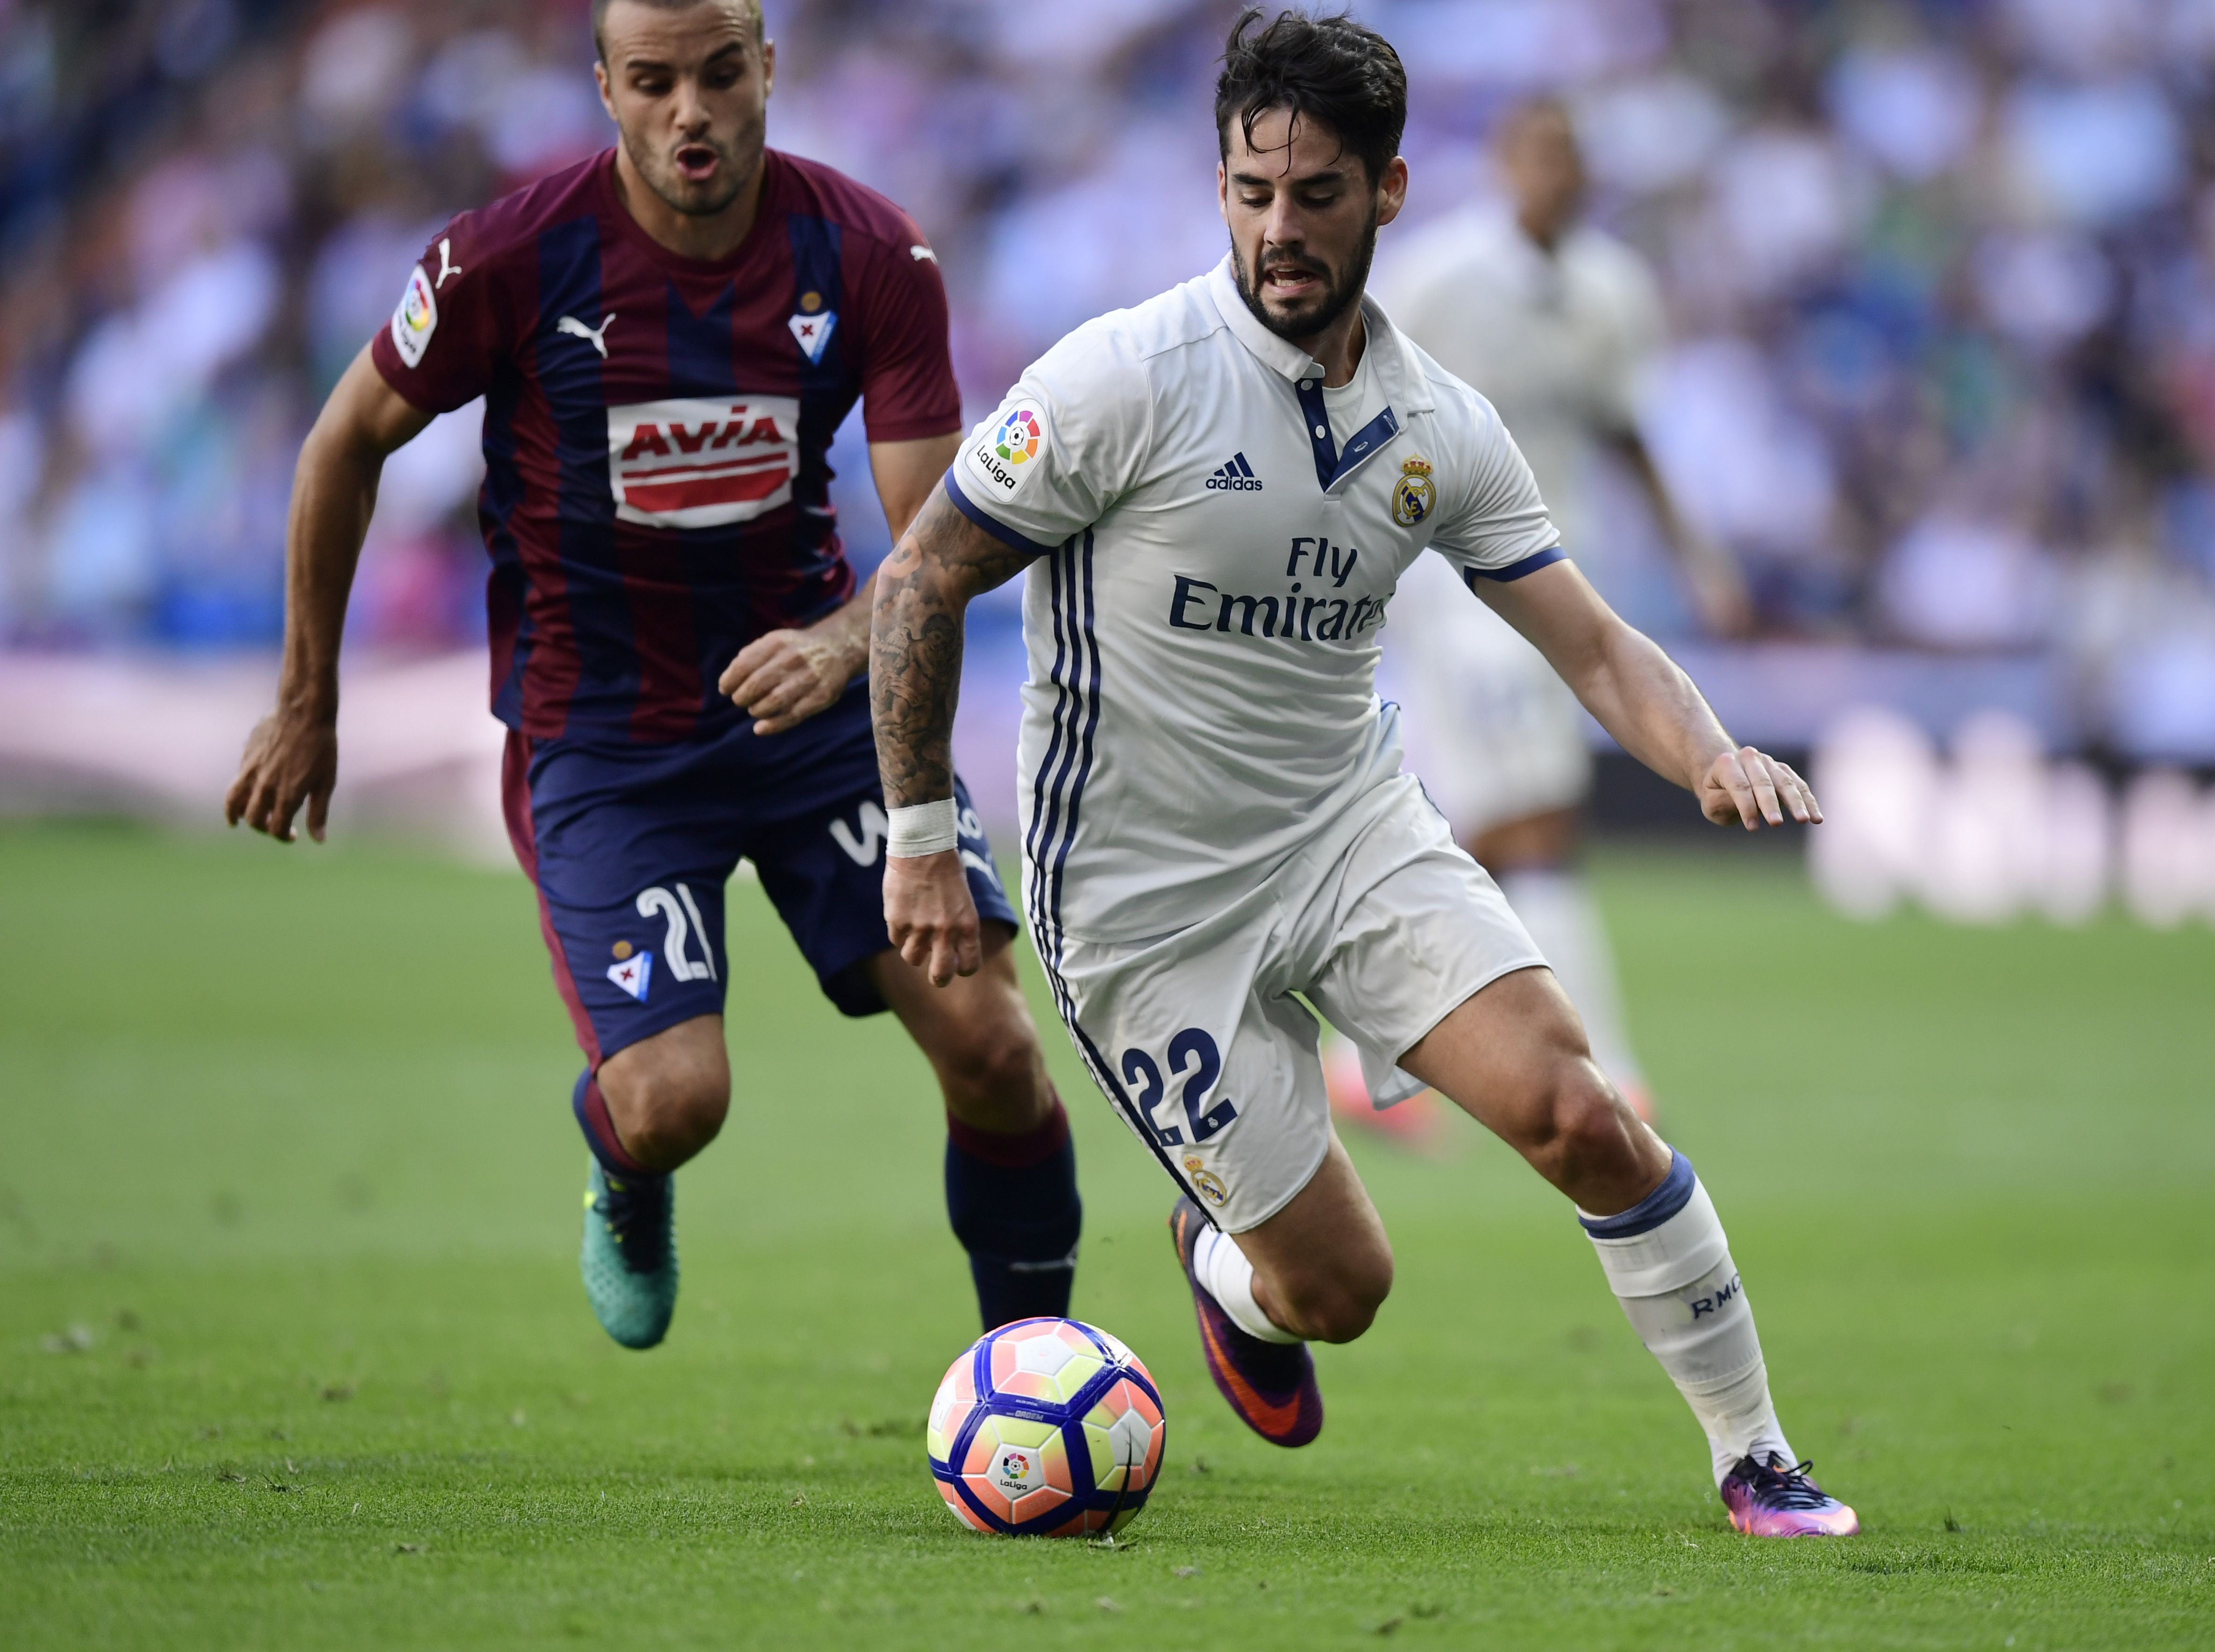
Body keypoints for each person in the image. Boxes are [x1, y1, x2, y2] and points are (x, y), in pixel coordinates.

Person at [868, 10, 1856, 1538]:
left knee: (1583, 1112)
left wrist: (1710, 748)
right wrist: (924, 838)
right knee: (1340, 1290)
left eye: (1315, 193)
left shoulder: (1439, 425)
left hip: (1348, 833)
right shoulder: (1121, 379)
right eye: (1250, 191)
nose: (1278, 227)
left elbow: (1592, 645)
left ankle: (1754, 1451)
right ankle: (1230, 1273)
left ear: (1387, 193)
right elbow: (920, 579)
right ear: (1218, 188)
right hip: (1143, 903)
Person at [223, 0, 1082, 1352]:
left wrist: (845, 643)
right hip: (608, 739)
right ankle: (624, 1171)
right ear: (607, 89)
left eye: (722, 74)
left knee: (992, 1041)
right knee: (679, 1099)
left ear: (768, 72)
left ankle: (1035, 1371)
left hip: (817, 719)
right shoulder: (508, 258)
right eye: (656, 81)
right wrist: (306, 702)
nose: (693, 110)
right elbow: (344, 442)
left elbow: (940, 545)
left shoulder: (869, 253)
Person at [1359, 95, 1752, 1123]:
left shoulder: (1613, 293)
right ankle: (1607, 1065)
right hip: (1448, 575)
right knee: (1537, 813)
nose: (1556, 174)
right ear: (1503, 164)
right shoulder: (1437, 278)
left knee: (1493, 819)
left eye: (1571, 157)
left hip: (1559, 571)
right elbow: (1353, 389)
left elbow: (1626, 434)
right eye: (1538, 154)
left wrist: (1696, 558)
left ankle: (1360, 1050)